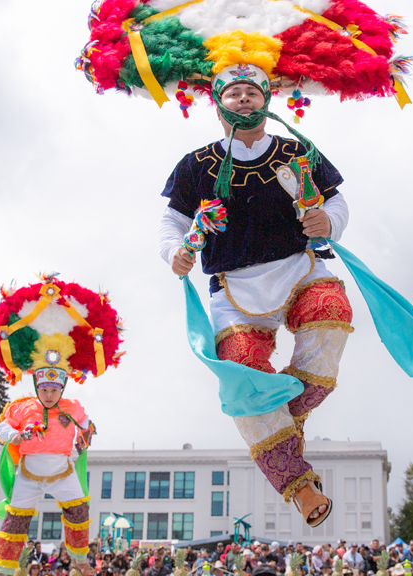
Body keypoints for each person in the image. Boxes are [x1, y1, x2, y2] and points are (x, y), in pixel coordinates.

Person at [160, 59, 351, 527]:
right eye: (233, 92)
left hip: (300, 267)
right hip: (232, 286)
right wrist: (174, 253)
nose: (243, 98)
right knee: (242, 373)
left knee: (332, 313)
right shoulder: (195, 164)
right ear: (218, 105)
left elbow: (336, 201)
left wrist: (330, 223)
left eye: (252, 91)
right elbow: (173, 222)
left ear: (267, 100)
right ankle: (300, 486)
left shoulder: (298, 151)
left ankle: (275, 417)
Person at [0, 277, 122, 576]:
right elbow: (3, 428)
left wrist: (85, 438)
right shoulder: (22, 406)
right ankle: (3, 567)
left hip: (62, 469)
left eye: (54, 390)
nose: (49, 394)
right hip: (28, 471)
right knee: (16, 517)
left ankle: (79, 558)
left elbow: (88, 427)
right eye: (44, 389)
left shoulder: (72, 408)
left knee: (79, 510)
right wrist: (17, 435)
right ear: (37, 387)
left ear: (62, 389)